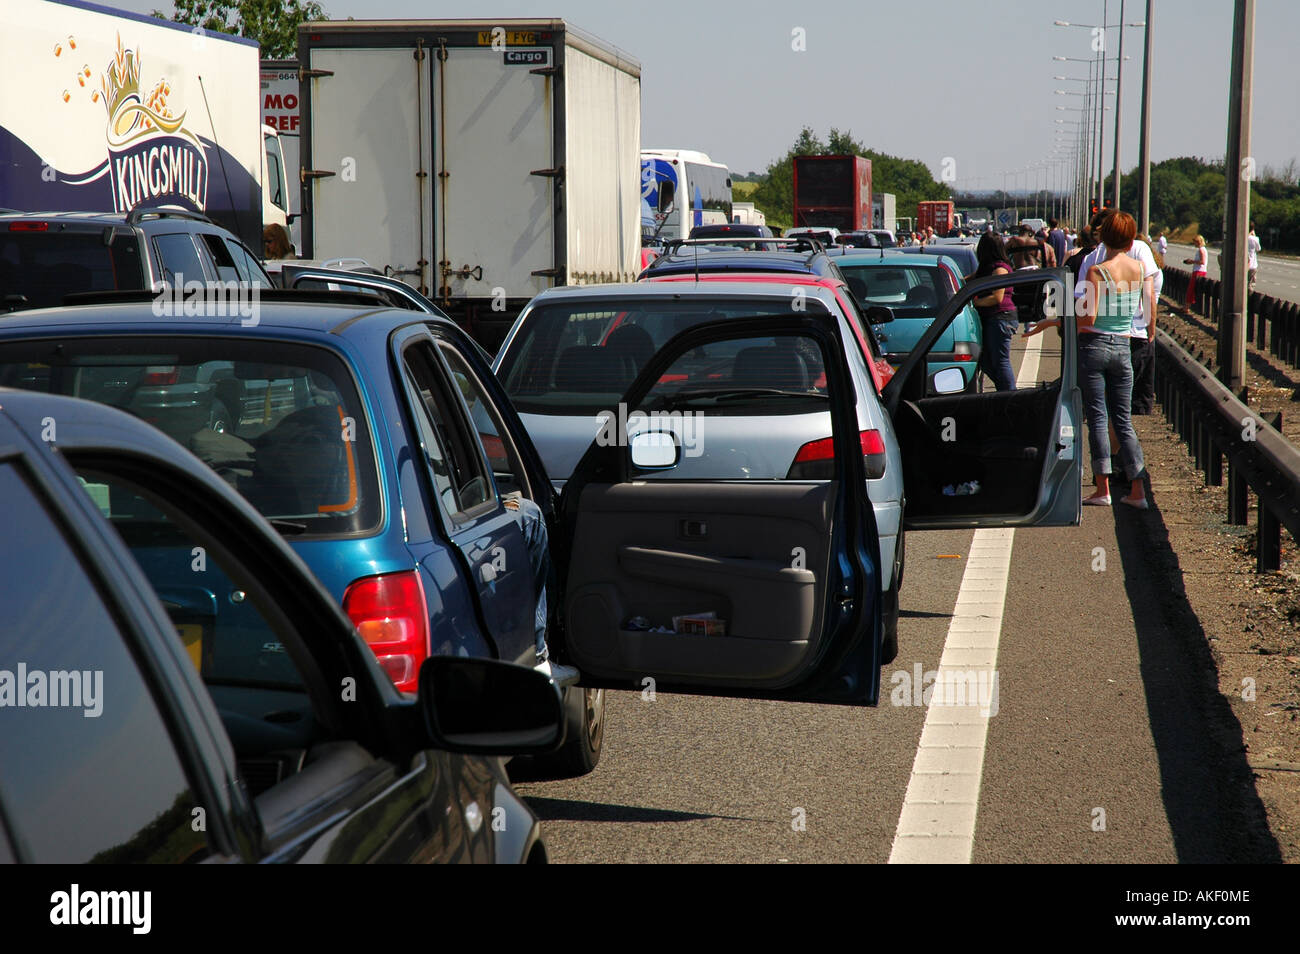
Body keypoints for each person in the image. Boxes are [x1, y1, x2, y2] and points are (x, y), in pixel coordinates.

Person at [1028, 210, 1150, 509]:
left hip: (1094, 346)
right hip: (1123, 346)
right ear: (1131, 237)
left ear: (1103, 236)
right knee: (1123, 420)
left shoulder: (1097, 271)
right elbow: (1147, 310)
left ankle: (1102, 488)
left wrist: (1064, 319)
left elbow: (1088, 318)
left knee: (1097, 418)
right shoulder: (1137, 268)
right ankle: (1138, 491)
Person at [970, 232, 1018, 392]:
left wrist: (976, 302)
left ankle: (1010, 396)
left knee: (1000, 361)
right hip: (994, 318)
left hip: (1000, 318)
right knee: (986, 360)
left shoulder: (1000, 270)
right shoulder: (987, 269)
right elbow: (967, 280)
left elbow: (997, 297)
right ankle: (1004, 391)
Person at [1183, 234, 1208, 306]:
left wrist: (1192, 261)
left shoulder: (1201, 250)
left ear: (1198, 242)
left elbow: (1202, 261)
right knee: (1192, 289)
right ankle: (1187, 306)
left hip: (1199, 271)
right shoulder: (1202, 249)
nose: (1194, 244)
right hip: (1199, 270)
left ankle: (1187, 307)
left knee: (1191, 289)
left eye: (1195, 242)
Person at [1247, 222, 1261, 289]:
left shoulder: (1240, 237)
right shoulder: (1255, 239)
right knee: (1250, 285)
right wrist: (1254, 235)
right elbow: (1258, 249)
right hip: (1252, 265)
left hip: (1243, 265)